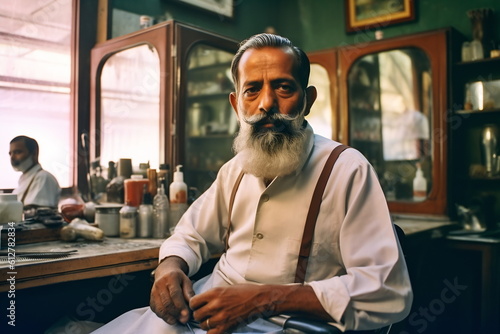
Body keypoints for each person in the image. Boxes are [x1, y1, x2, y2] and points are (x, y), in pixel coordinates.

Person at [93, 33, 412, 334]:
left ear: (308, 99)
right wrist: (169, 267)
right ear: (236, 104)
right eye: (252, 90)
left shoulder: (346, 170)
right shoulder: (235, 170)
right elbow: (191, 234)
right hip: (199, 316)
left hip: (284, 327)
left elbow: (387, 290)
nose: (266, 103)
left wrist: (263, 299)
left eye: (283, 87)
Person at [9, 135, 61, 208]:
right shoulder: (24, 179)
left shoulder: (43, 177)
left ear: (34, 153)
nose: (12, 157)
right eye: (10, 153)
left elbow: (38, 214)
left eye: (17, 152)